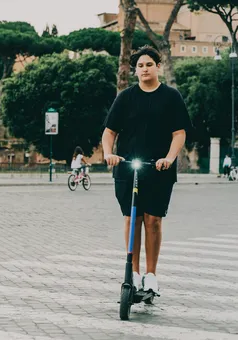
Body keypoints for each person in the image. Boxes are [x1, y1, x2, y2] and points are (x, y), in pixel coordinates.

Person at [101, 45, 192, 294]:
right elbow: (109, 132)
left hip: (159, 169)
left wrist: (170, 158)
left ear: (158, 66)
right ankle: (135, 273)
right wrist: (109, 154)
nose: (144, 69)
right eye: (140, 66)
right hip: (127, 167)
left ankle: (151, 275)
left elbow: (179, 133)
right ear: (135, 70)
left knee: (153, 220)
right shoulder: (126, 97)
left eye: (148, 64)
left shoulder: (171, 97)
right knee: (132, 219)